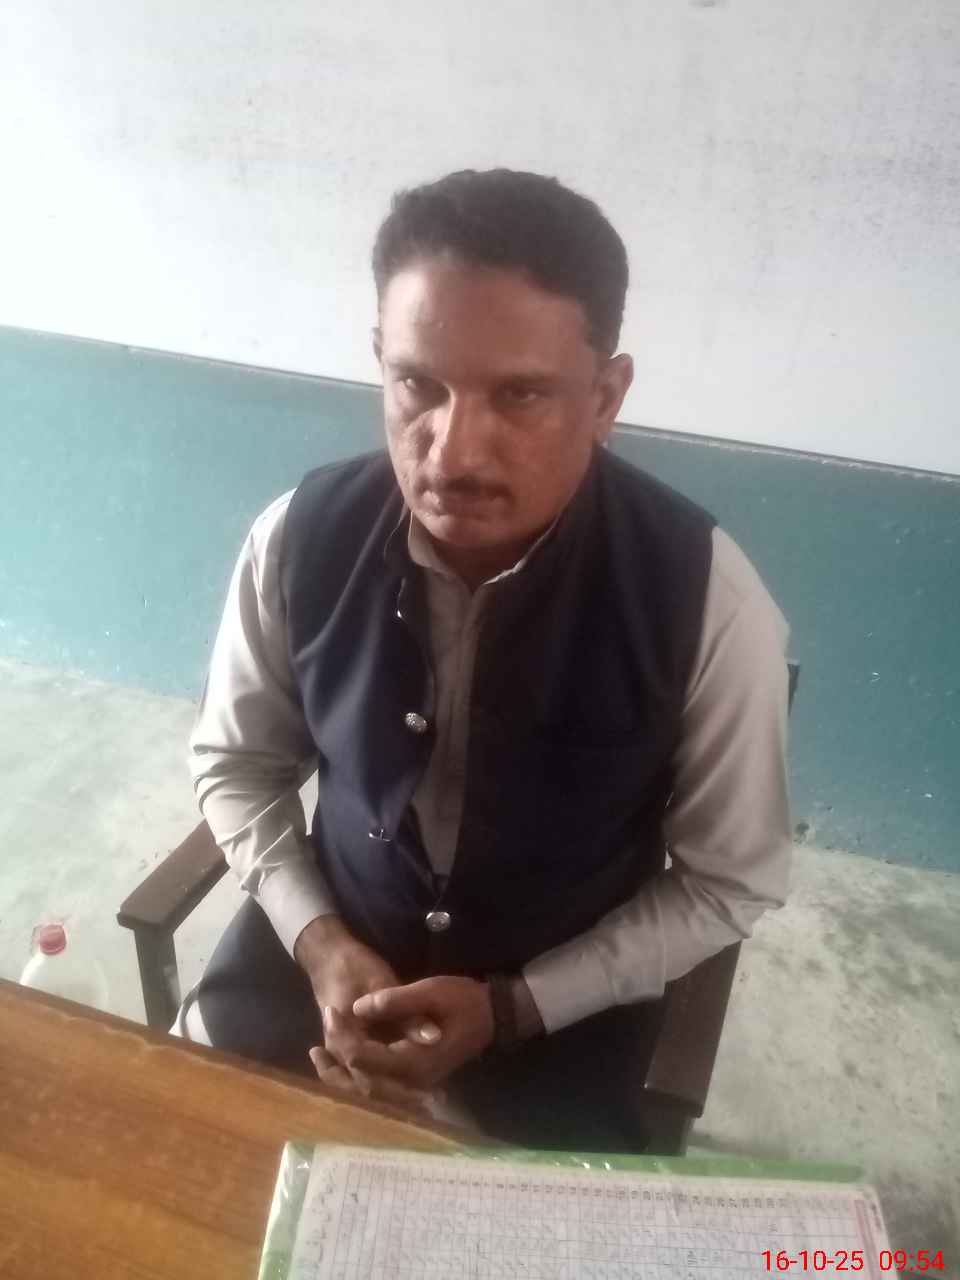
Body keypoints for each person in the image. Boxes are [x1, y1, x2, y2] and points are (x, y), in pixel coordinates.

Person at [173, 168, 791, 1151]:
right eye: (417, 384)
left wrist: (512, 1007)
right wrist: (317, 938)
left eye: (521, 394)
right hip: (323, 960)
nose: (453, 452)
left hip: (562, 1016)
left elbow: (728, 879)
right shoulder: (296, 538)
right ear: (379, 363)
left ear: (606, 396)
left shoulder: (708, 597)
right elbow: (237, 763)